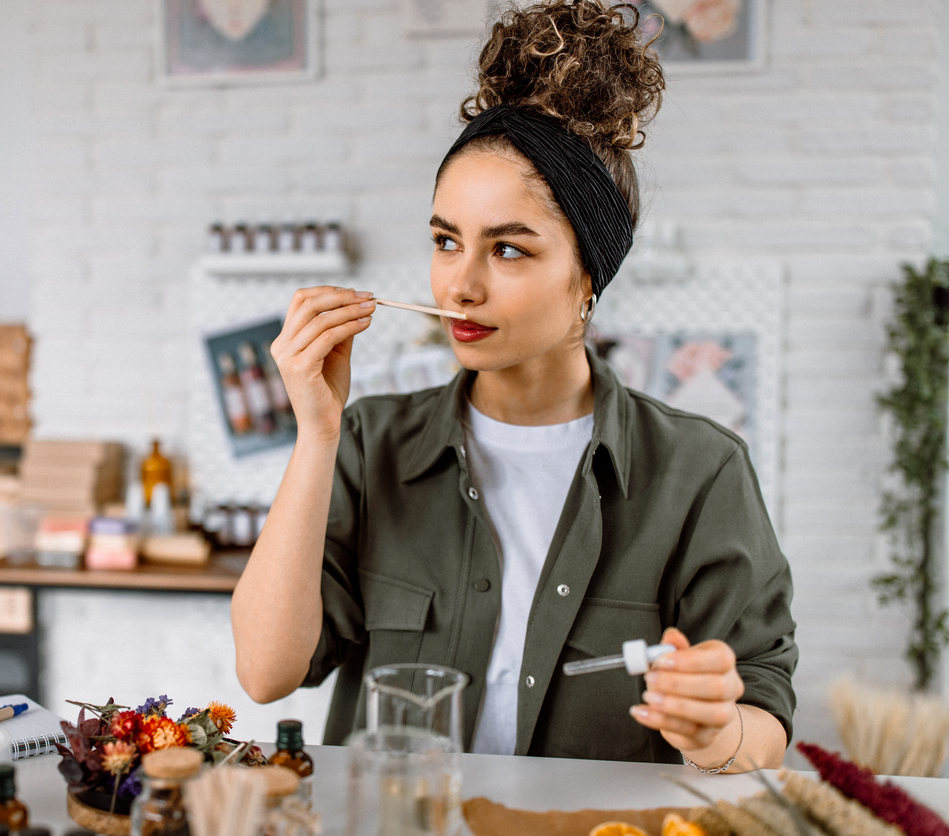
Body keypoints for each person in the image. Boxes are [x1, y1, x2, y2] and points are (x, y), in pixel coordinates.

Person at [231, 0, 796, 771]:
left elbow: (761, 714)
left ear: (587, 278)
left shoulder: (699, 471)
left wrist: (717, 731)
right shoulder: (367, 443)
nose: (458, 285)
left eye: (508, 251)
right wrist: (317, 433)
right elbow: (267, 674)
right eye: (444, 240)